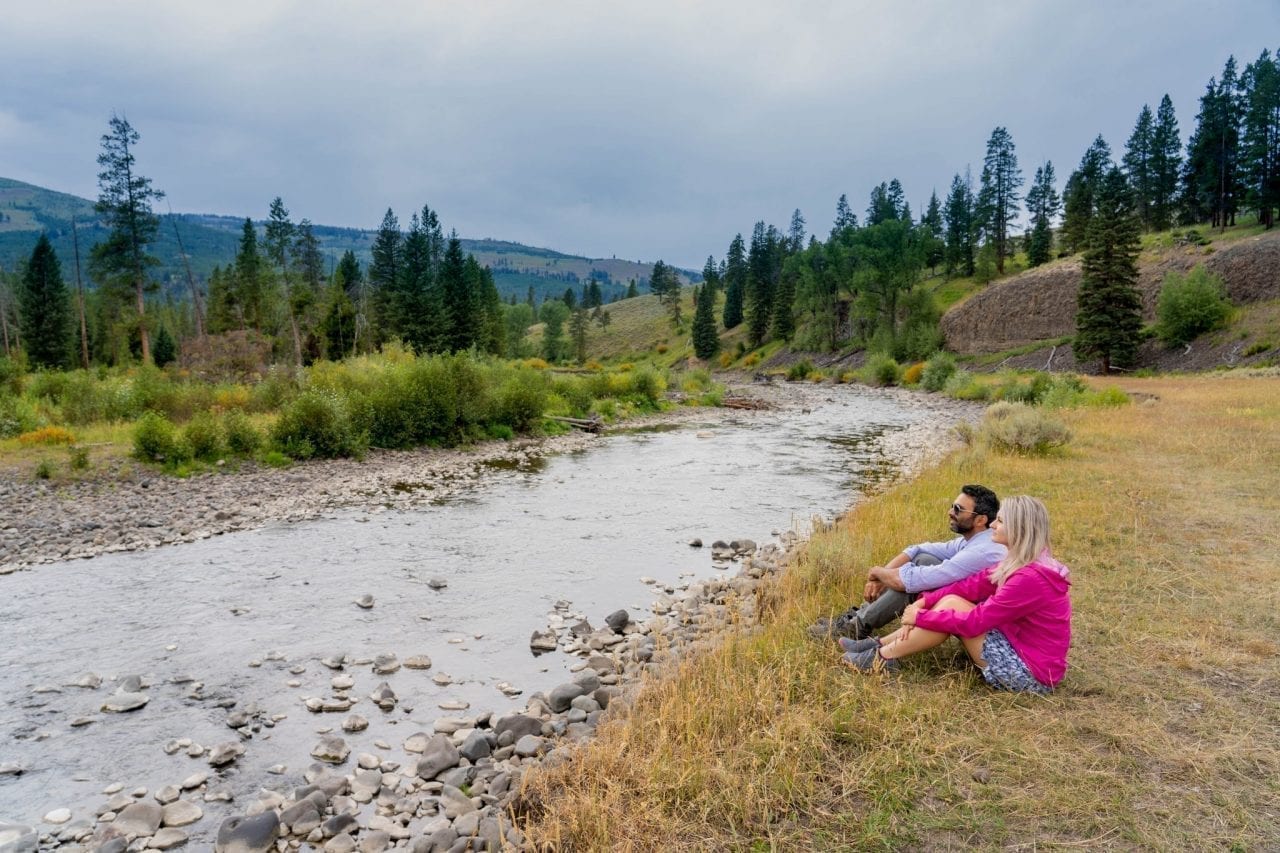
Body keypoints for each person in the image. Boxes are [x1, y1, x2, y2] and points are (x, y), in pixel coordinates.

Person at [840, 495, 1071, 694]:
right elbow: (972, 586)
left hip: (1031, 673)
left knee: (954, 609)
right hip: (1018, 645)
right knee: (951, 600)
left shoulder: (1029, 577)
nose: (992, 525)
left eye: (999, 521)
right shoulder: (1020, 561)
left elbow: (975, 622)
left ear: (1018, 529)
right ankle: (879, 646)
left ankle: (883, 657)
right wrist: (925, 602)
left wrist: (920, 617)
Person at [808, 485, 1004, 641]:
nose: (950, 512)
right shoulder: (973, 539)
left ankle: (857, 627)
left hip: (982, 623)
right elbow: (918, 549)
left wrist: (877, 572)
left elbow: (912, 580)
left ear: (980, 520)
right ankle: (859, 616)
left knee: (916, 579)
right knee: (923, 560)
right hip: (968, 607)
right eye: (953, 506)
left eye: (958, 509)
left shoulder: (981, 551)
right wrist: (883, 574)